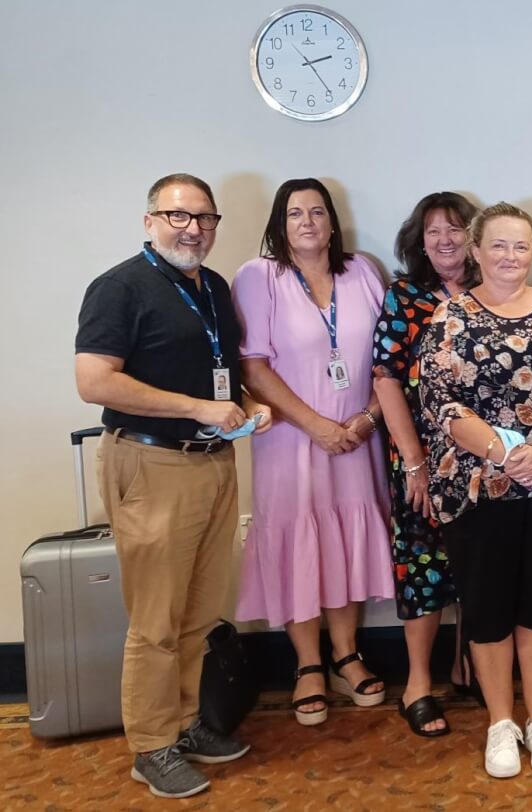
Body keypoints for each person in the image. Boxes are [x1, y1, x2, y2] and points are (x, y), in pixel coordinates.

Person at [75, 173, 272, 799]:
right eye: (177, 216)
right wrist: (196, 408)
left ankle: (185, 726)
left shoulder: (212, 287)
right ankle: (151, 746)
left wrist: (245, 408)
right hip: (151, 463)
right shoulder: (119, 287)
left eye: (204, 218)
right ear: (149, 221)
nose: (193, 229)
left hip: (213, 462)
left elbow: (218, 371)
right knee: (156, 619)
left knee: (200, 611)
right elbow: (95, 381)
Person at [419, 202, 532, 779]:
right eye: (498, 245)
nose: (510, 256)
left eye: (521, 246)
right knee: (488, 605)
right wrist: (502, 454)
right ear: (476, 250)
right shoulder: (451, 318)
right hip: (476, 486)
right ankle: (501, 721)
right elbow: (440, 401)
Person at [232, 178, 395, 728]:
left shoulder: (362, 272)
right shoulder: (259, 276)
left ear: (332, 222)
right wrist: (317, 426)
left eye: (318, 212)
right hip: (290, 439)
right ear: (279, 224)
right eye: (295, 213)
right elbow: (252, 367)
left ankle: (347, 656)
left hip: (358, 437)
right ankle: (307, 664)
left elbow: (390, 356)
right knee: (298, 542)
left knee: (345, 539)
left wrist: (367, 418)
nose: (307, 222)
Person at [371, 191, 480, 737]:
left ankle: (467, 664)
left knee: (480, 562)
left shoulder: (491, 292)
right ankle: (417, 684)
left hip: (484, 458)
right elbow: (385, 379)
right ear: (419, 241)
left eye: (455, 228)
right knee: (423, 565)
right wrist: (414, 463)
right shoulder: (405, 296)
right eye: (433, 231)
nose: (445, 240)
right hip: (422, 460)